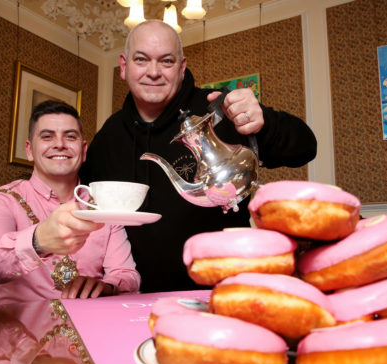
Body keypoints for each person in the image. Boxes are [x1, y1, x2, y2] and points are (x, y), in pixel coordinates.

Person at [79, 20, 317, 293]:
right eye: (141, 59)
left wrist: (264, 123)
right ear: (123, 66)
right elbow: (79, 202)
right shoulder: (109, 135)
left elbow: (306, 148)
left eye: (166, 61)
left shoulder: (218, 109)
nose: (153, 72)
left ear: (182, 68)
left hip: (225, 290)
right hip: (135, 297)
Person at [0, 100, 140, 305]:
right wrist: (38, 241)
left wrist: (108, 286)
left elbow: (127, 274)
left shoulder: (104, 207)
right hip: (20, 330)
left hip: (89, 329)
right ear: (29, 150)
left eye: (70, 136)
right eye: (47, 136)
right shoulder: (3, 200)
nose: (60, 144)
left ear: (84, 149)